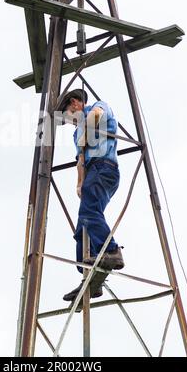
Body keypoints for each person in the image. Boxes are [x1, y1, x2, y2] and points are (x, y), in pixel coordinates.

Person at [58, 88, 124, 301]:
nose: (69, 121)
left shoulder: (98, 106)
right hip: (91, 173)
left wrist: (86, 133)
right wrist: (79, 183)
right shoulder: (76, 133)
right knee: (82, 227)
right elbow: (80, 160)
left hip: (104, 167)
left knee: (89, 213)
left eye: (68, 114)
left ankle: (112, 251)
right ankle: (88, 277)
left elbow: (96, 117)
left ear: (75, 103)